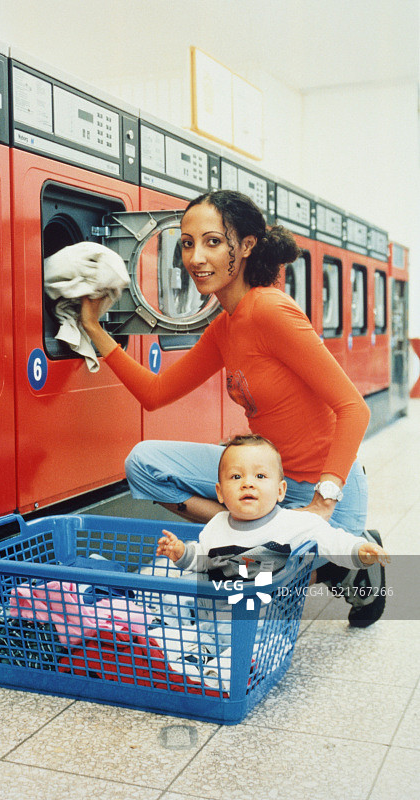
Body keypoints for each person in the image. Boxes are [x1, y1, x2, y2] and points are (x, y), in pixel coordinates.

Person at [80, 189, 379, 624]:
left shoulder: (270, 310)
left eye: (213, 242)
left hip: (325, 489)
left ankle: (345, 570)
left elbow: (354, 408)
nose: (196, 258)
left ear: (247, 246)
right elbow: (155, 393)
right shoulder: (225, 326)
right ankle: (257, 533)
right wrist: (93, 327)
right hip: (267, 480)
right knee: (143, 464)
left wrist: (323, 502)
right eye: (187, 244)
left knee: (237, 573)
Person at [156, 435, 389, 590]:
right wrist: (182, 553)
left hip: (265, 624)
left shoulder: (293, 523)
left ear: (280, 491)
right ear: (220, 493)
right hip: (215, 617)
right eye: (236, 477)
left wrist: (359, 550)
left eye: (260, 476)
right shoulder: (217, 524)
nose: (247, 483)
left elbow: (331, 540)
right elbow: (204, 559)